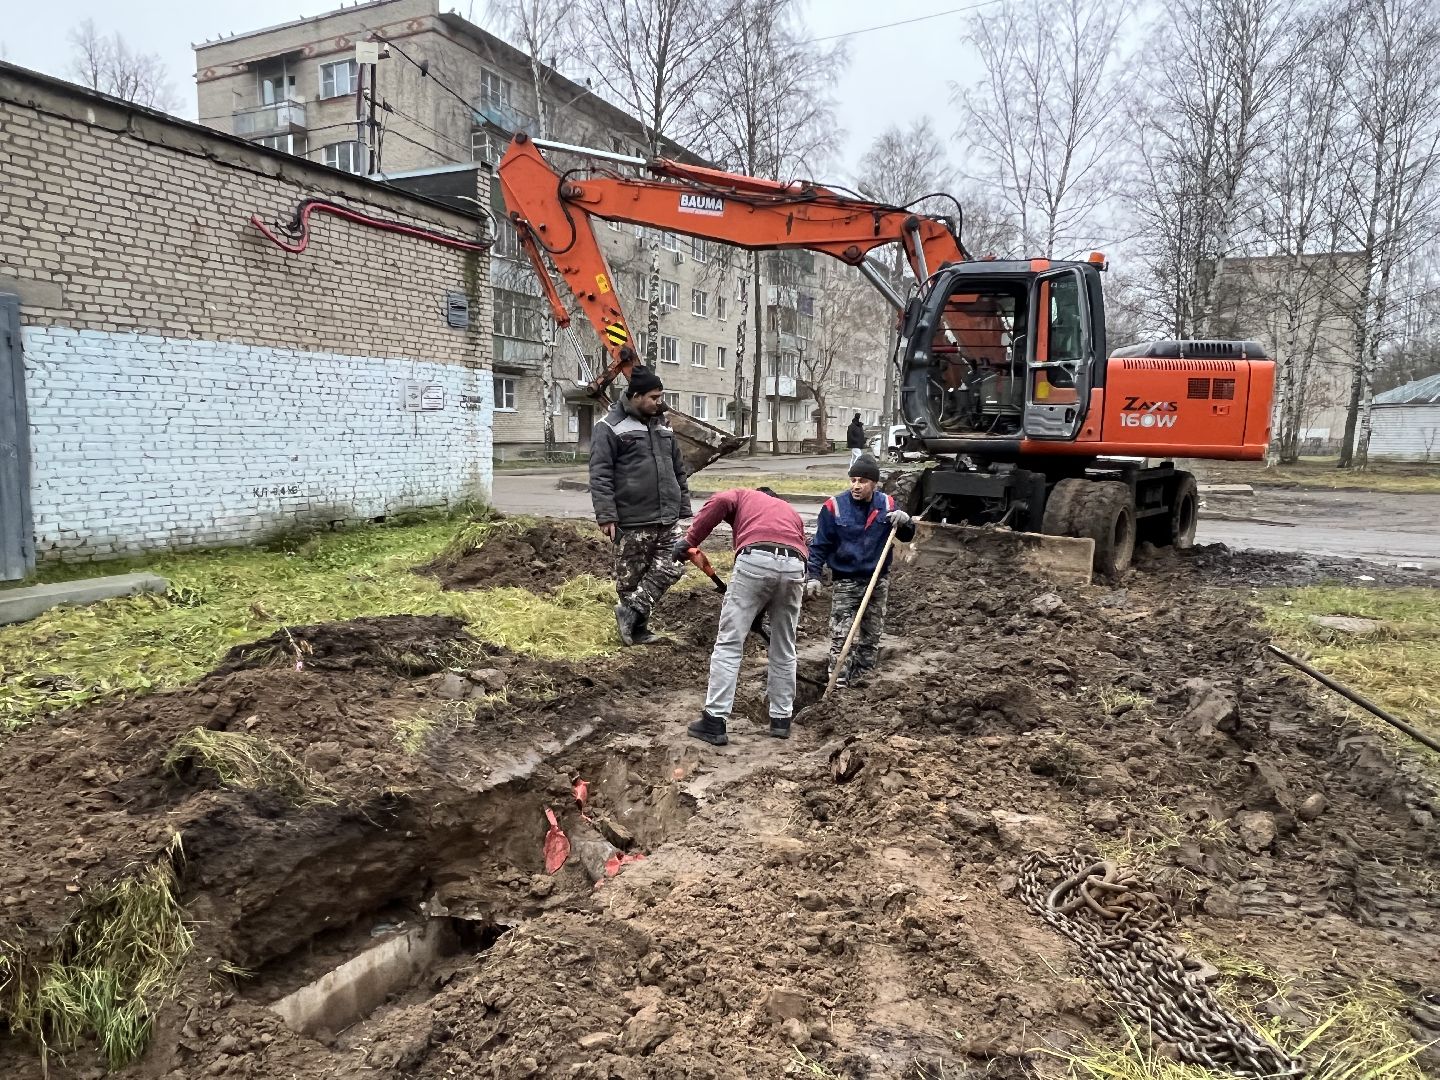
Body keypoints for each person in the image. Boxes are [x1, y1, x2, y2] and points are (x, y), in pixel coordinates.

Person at [670, 486, 808, 745]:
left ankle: (714, 720)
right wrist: (762, 606)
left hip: (755, 559)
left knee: (729, 643)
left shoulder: (744, 495)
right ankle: (781, 720)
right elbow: (796, 554)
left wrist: (689, 541)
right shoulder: (789, 512)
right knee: (784, 645)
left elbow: (720, 500)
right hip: (795, 566)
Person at [589, 366, 692, 646]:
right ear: (635, 396)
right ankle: (637, 631)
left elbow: (677, 469)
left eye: (661, 396)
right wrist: (606, 515)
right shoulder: (609, 427)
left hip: (666, 516)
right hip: (631, 518)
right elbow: (600, 474)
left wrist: (683, 507)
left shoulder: (663, 425)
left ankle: (631, 613)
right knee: (631, 577)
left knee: (674, 565)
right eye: (654, 397)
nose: (660, 402)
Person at [806, 455, 916, 687]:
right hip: (846, 581)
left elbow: (905, 536)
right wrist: (813, 575)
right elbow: (819, 544)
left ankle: (863, 681)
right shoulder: (833, 507)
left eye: (862, 481)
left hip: (877, 581)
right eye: (853, 480)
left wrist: (906, 522)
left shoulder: (887, 505)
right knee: (840, 636)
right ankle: (838, 683)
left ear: (873, 484)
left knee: (871, 636)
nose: (856, 485)